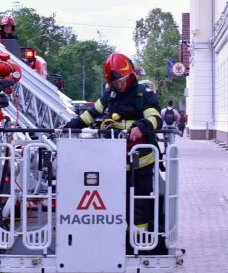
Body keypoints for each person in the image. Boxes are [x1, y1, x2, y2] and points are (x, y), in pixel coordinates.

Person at [61, 53, 163, 236]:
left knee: (139, 205)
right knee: (112, 203)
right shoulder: (110, 96)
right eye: (116, 82)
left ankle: (139, 243)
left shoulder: (143, 95)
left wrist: (142, 126)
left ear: (131, 74)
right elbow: (90, 115)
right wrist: (69, 127)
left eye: (122, 80)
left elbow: (155, 118)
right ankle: (114, 240)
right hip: (113, 162)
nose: (120, 85)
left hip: (141, 163)